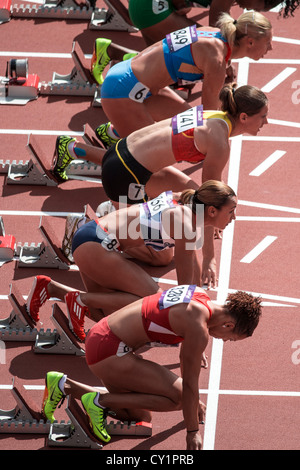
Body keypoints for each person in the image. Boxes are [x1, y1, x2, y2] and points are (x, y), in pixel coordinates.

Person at [41, 286, 262, 449]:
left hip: (102, 335)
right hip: (108, 351)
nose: (224, 341)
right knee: (178, 400)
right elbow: (190, 386)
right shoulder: (198, 329)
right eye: (229, 338)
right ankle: (99, 401)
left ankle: (63, 385)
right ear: (229, 325)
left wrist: (192, 401)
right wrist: (192, 432)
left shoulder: (200, 296)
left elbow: (185, 364)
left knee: (138, 415)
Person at [26, 180, 237, 341]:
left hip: (90, 237)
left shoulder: (185, 202)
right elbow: (183, 291)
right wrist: (194, 334)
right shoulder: (186, 224)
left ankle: (50, 288)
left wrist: (198, 296)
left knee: (106, 316)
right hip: (97, 245)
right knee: (154, 302)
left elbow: (193, 264)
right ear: (211, 211)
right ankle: (80, 301)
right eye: (231, 211)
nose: (233, 217)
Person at [91, 10, 272, 139]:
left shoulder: (213, 34)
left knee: (188, 124)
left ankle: (115, 132)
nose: (270, 48)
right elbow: (209, 117)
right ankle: (77, 150)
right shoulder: (216, 60)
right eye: (268, 43)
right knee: (150, 159)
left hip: (139, 82)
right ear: (249, 42)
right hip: (123, 89)